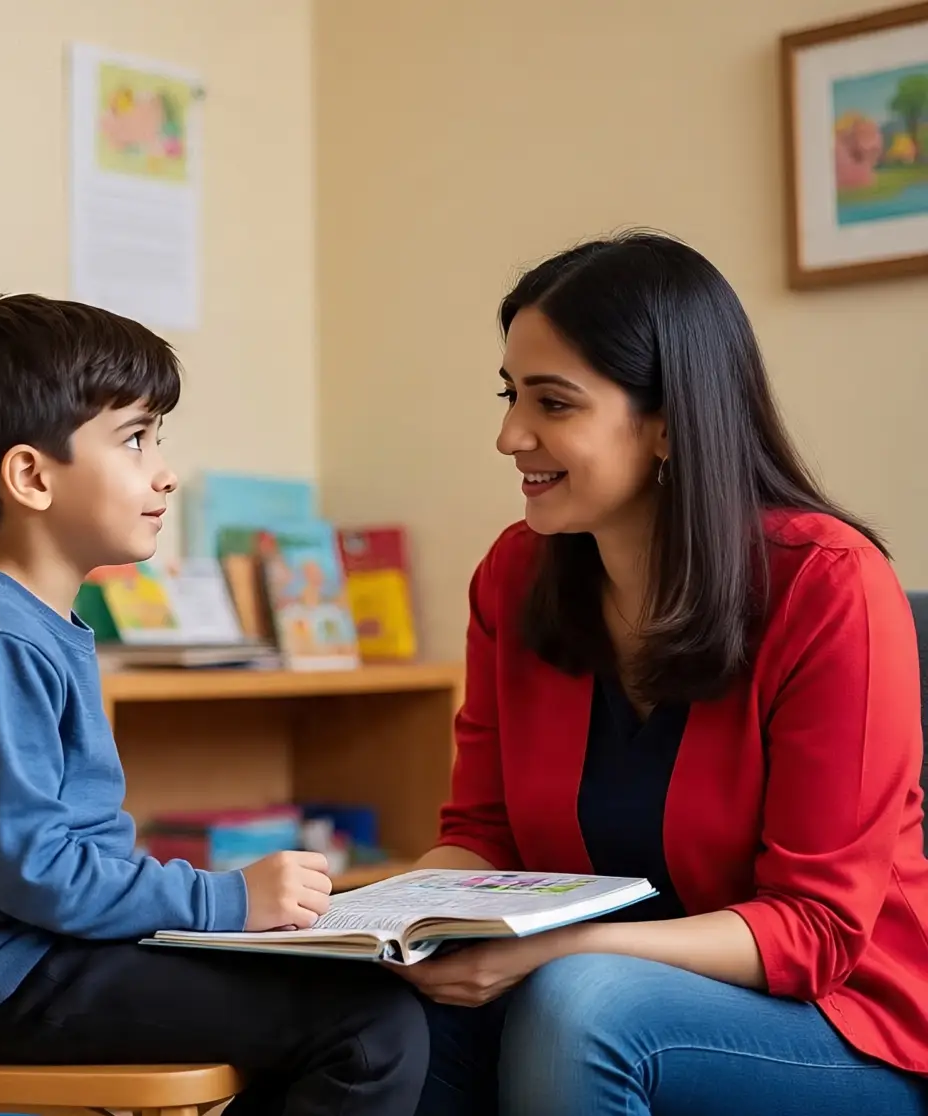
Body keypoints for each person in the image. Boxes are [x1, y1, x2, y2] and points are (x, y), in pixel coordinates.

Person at [395, 232, 928, 1116]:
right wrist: (386, 927)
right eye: (510, 395)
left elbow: (817, 931)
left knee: (584, 1008)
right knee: (376, 1015)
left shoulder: (827, 584)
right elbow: (485, 837)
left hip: (842, 1026)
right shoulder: (514, 577)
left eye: (553, 403)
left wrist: (558, 955)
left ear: (671, 421)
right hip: (590, 996)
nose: (508, 435)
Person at [0, 293, 428, 1116]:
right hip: (9, 979)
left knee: (355, 996)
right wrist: (228, 901)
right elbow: (39, 874)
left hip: (43, 956)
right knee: (369, 1027)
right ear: (31, 476)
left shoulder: (32, 624)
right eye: (134, 439)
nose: (163, 470)